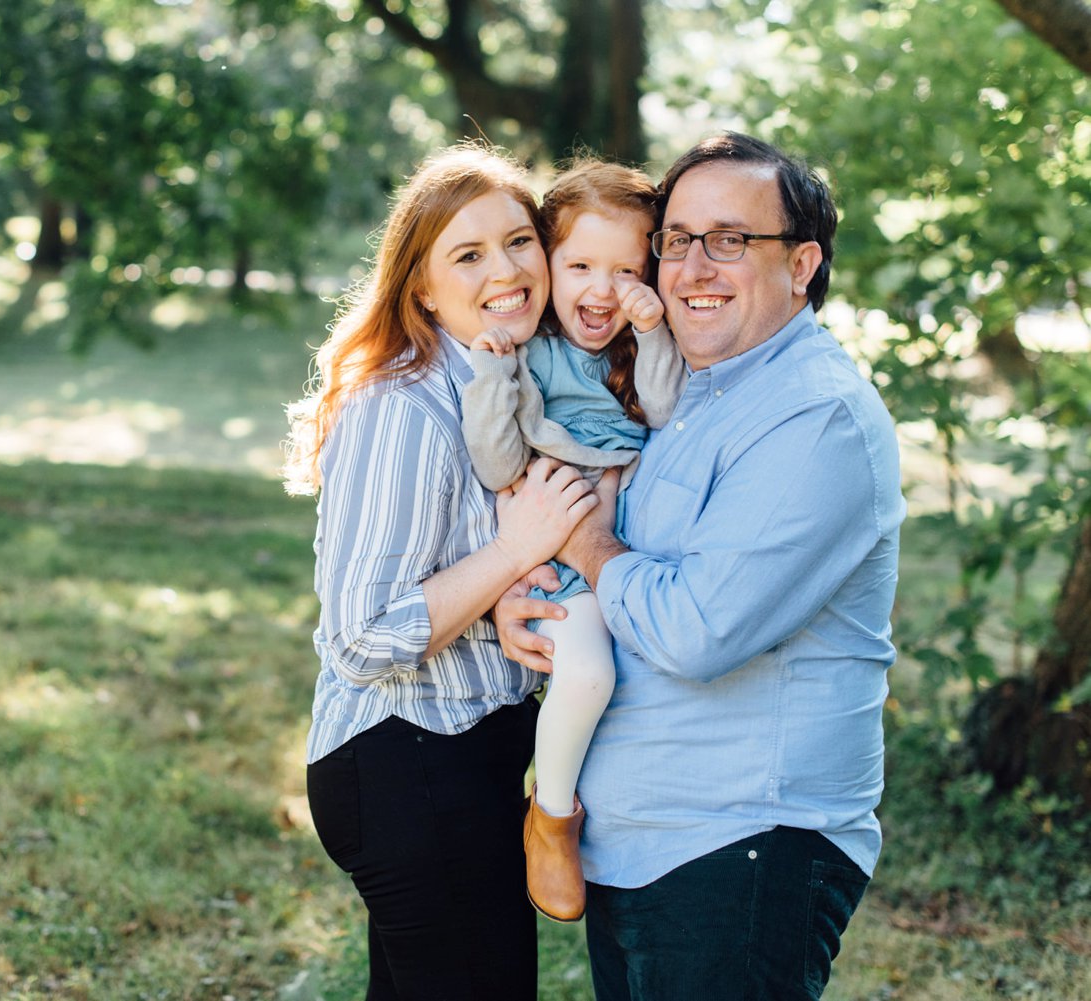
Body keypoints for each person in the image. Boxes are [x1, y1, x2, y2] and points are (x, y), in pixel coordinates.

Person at [496, 132, 906, 1000]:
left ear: (802, 264)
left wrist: (580, 542)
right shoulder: (695, 392)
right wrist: (529, 593)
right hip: (643, 840)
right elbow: (619, 571)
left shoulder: (813, 416)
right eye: (676, 240)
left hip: (739, 846)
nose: (691, 266)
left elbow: (695, 627)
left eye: (728, 240)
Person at [284, 141, 598, 1001]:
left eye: (519, 241)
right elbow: (359, 635)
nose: (506, 269)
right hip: (407, 763)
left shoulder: (508, 384)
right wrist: (514, 551)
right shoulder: (405, 405)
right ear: (420, 285)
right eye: (468, 254)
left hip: (462, 756)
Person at [459, 157, 686, 923]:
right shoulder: (522, 354)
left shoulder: (631, 350)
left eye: (626, 270)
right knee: (589, 678)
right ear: (548, 261)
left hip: (625, 552)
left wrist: (651, 330)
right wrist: (493, 377)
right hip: (564, 556)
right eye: (581, 264)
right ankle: (552, 818)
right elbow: (496, 462)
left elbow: (658, 405)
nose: (601, 289)